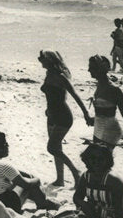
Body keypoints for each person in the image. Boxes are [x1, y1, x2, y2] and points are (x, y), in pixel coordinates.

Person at [38, 50, 91, 186]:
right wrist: (48, 109)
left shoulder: (60, 76)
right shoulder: (49, 74)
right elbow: (51, 97)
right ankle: (60, 180)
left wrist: (86, 114)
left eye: (42, 58)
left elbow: (75, 95)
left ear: (49, 60)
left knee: (52, 148)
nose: (40, 61)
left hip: (62, 116)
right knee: (57, 148)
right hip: (51, 115)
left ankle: (75, 171)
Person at [0, 133, 59, 212]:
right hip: (6, 204)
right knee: (32, 185)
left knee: (19, 182)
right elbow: (26, 184)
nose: (8, 146)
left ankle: (44, 202)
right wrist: (37, 179)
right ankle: (43, 205)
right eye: (5, 144)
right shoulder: (4, 165)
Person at [58, 144, 123, 218]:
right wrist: (84, 205)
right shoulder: (86, 176)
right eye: (92, 158)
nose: (96, 162)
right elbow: (77, 197)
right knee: (64, 215)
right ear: (87, 159)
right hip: (92, 213)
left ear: (107, 160)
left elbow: (119, 210)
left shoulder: (113, 180)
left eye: (100, 159)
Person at [87, 55, 123, 147]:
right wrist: (93, 119)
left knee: (100, 159)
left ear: (99, 69)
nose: (88, 70)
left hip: (110, 131)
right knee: (94, 159)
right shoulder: (100, 85)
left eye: (91, 67)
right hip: (98, 129)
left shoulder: (114, 90)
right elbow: (103, 112)